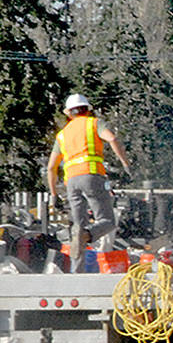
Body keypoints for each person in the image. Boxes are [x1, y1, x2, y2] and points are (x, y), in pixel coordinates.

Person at [46, 93, 130, 272]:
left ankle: (77, 272)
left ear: (69, 113)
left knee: (77, 228)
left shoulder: (62, 134)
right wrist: (125, 164)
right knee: (107, 221)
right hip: (92, 176)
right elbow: (112, 138)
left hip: (71, 182)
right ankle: (87, 235)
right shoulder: (94, 123)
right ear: (87, 109)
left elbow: (51, 167)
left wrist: (54, 195)